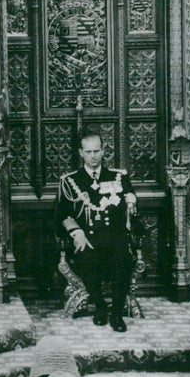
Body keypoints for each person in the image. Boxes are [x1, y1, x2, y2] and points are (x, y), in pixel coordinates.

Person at [54, 132, 140, 332]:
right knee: (87, 258)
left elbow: (132, 204)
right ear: (81, 153)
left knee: (123, 260)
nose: (93, 156)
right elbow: (62, 214)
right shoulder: (70, 181)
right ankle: (101, 307)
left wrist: (131, 210)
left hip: (116, 236)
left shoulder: (118, 177)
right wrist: (76, 232)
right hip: (87, 237)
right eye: (88, 152)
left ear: (103, 151)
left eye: (96, 151)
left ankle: (117, 314)